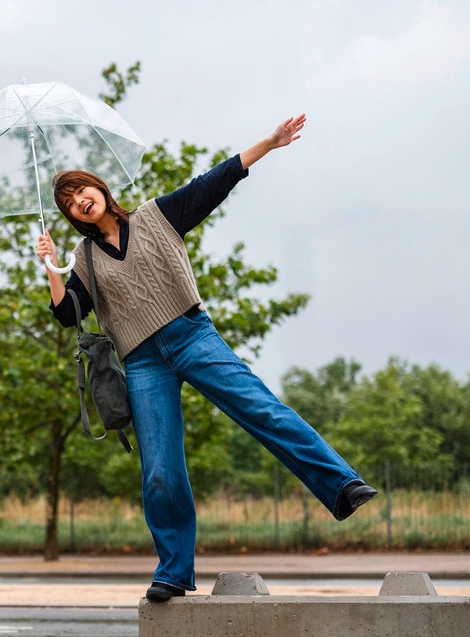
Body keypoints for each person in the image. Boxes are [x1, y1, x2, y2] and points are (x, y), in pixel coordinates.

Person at [36, 114, 376, 603]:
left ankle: (342, 484)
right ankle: (173, 571)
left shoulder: (158, 215)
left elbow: (217, 180)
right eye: (69, 203)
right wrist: (52, 267)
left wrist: (271, 143)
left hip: (192, 334)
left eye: (80, 190)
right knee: (159, 469)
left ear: (99, 187)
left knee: (262, 409)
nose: (78, 201)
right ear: (73, 216)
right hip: (143, 362)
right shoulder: (83, 260)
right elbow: (69, 314)